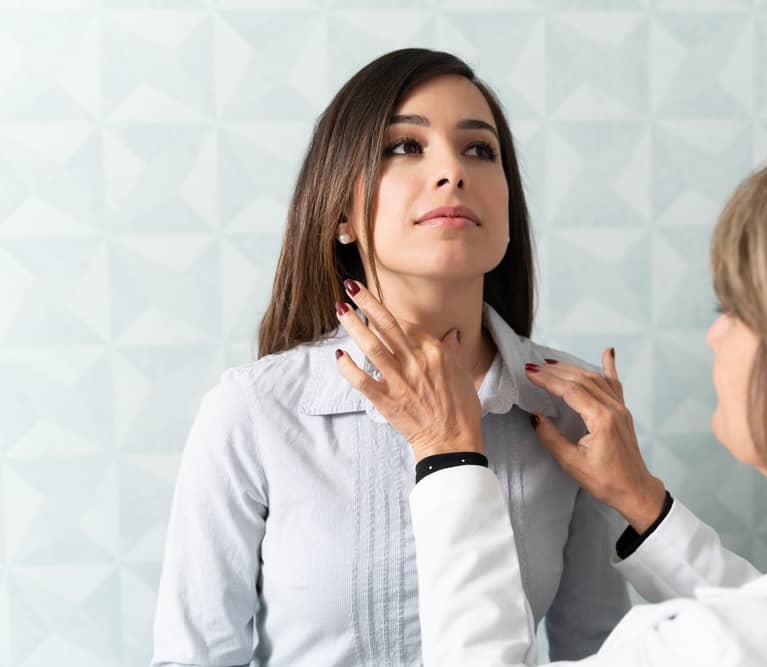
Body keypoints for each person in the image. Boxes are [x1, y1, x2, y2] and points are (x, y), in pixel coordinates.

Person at [335, 130, 767, 666]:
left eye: (736, 306)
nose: (714, 332)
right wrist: (644, 504)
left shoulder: (705, 647)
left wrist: (449, 457)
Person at [150, 48, 630, 667]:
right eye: (404, 146)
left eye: (480, 150)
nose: (452, 171)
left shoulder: (570, 409)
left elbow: (599, 650)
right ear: (342, 213)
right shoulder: (253, 412)